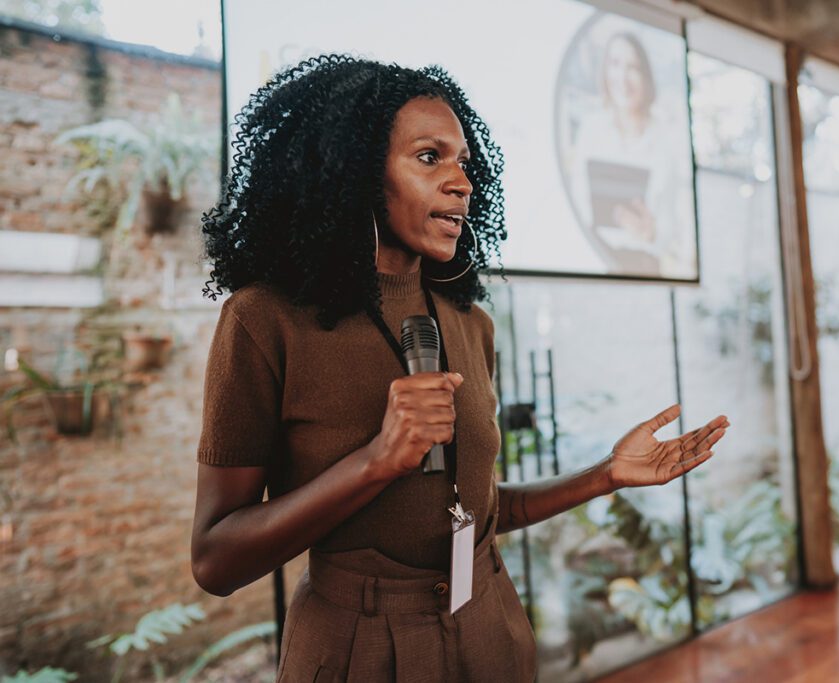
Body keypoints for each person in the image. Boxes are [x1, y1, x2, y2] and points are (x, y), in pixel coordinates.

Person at [190, 54, 728, 682]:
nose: (460, 182)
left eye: (463, 163)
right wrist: (376, 461)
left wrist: (605, 475)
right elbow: (215, 560)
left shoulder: (470, 322)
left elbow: (476, 510)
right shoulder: (264, 321)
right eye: (429, 157)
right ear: (357, 172)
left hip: (490, 626)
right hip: (358, 645)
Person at [568, 31, 696, 278]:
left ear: (646, 77)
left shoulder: (666, 139)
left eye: (633, 67)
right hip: (590, 261)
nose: (622, 78)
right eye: (615, 64)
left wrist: (651, 232)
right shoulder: (591, 128)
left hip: (644, 266)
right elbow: (578, 202)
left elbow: (673, 224)